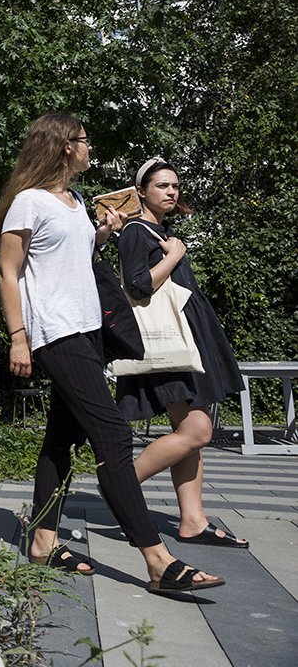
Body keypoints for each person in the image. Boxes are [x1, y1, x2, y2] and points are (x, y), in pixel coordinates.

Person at [0, 112, 223, 594]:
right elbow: (9, 273)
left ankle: (43, 542)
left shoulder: (76, 201)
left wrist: (101, 234)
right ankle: (157, 561)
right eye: (84, 139)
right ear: (62, 147)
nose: (90, 147)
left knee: (61, 439)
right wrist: (18, 336)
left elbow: (73, 261)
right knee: (113, 437)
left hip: (89, 330)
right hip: (54, 334)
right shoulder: (28, 203)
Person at [118, 159, 248, 547]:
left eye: (175, 186)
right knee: (197, 431)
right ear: (141, 191)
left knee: (190, 431)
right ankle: (120, 485)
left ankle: (192, 520)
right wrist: (174, 256)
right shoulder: (136, 233)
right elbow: (137, 287)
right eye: (161, 186)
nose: (171, 192)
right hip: (168, 345)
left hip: (187, 343)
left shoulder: (162, 230)